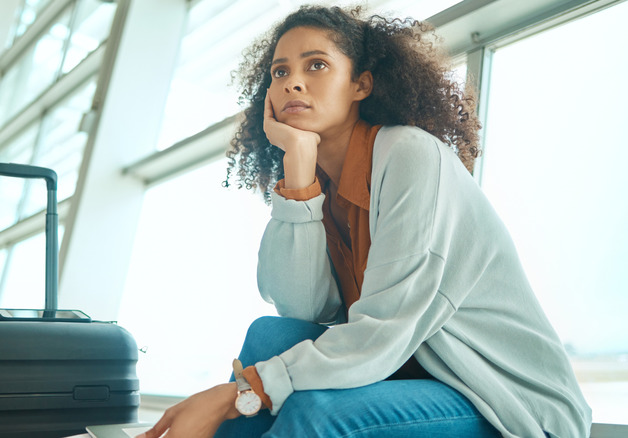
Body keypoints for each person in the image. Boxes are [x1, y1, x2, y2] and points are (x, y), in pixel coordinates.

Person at [139, 5, 592, 438]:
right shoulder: (322, 182)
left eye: (315, 66)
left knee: (317, 413)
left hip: (502, 400)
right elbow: (303, 309)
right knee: (268, 333)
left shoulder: (412, 154)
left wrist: (237, 393)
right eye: (280, 72)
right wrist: (298, 168)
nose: (293, 82)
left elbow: (383, 328)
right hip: (414, 371)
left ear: (361, 84)